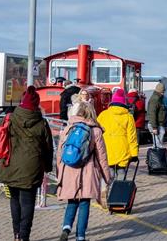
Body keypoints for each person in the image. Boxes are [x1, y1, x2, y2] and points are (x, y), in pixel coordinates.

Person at [0, 87, 53, 241]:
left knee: (14, 200)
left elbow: (0, 137)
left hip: (9, 166)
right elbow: (48, 148)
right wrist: (48, 167)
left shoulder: (9, 118)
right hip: (31, 168)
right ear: (37, 104)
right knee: (28, 203)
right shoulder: (41, 123)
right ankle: (24, 236)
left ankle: (16, 234)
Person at [56, 100, 111, 241]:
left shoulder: (68, 128)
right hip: (87, 171)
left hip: (69, 170)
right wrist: (107, 177)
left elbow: (59, 153)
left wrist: (59, 173)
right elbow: (102, 156)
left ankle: (66, 228)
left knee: (72, 201)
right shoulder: (96, 131)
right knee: (84, 203)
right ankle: (80, 236)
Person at [96, 88, 139, 175]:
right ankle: (119, 187)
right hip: (123, 149)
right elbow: (132, 137)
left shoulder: (103, 115)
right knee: (121, 172)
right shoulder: (128, 117)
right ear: (124, 102)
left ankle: (109, 187)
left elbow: (97, 132)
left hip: (107, 148)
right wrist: (134, 153)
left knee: (109, 172)